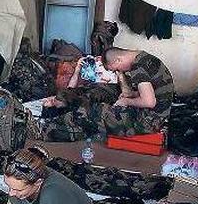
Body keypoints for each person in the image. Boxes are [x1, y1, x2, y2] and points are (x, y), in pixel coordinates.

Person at [40, 47, 174, 142]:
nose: (118, 71)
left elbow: (149, 101)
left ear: (118, 60)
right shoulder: (143, 58)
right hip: (154, 114)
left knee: (94, 113)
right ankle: (65, 104)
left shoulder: (138, 67)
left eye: (115, 69)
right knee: (103, 89)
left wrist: (126, 102)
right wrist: (130, 94)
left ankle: (44, 131)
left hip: (149, 121)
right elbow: (149, 92)